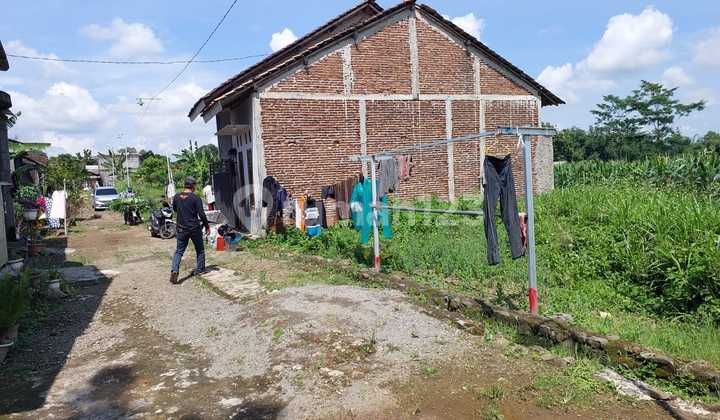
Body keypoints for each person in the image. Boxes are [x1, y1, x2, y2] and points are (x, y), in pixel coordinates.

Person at [170, 177, 210, 285]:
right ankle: (200, 269)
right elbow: (201, 214)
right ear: (193, 186)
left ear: (185, 185)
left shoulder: (176, 197)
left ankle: (174, 270)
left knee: (179, 251)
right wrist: (207, 226)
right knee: (200, 250)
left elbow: (174, 209)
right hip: (194, 228)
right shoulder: (196, 198)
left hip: (181, 228)